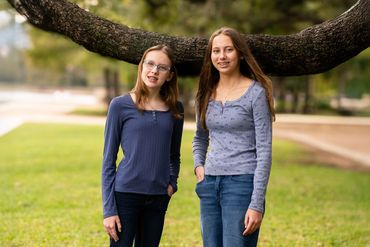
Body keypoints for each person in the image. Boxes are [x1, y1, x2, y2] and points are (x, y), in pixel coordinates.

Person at [192, 27, 275, 247]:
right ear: (210, 56)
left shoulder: (256, 93)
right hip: (209, 184)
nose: (222, 56)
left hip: (242, 184)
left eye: (228, 50)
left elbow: (264, 150)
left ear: (239, 53)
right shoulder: (204, 94)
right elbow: (200, 138)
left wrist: (256, 204)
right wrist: (199, 168)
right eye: (216, 51)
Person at [101, 44, 184, 247]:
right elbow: (108, 160)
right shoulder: (120, 105)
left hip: (158, 198)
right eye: (150, 64)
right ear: (141, 67)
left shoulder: (176, 109)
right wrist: (109, 210)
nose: (154, 71)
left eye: (162, 67)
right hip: (125, 196)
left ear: (170, 75)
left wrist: (172, 183)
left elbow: (174, 155)